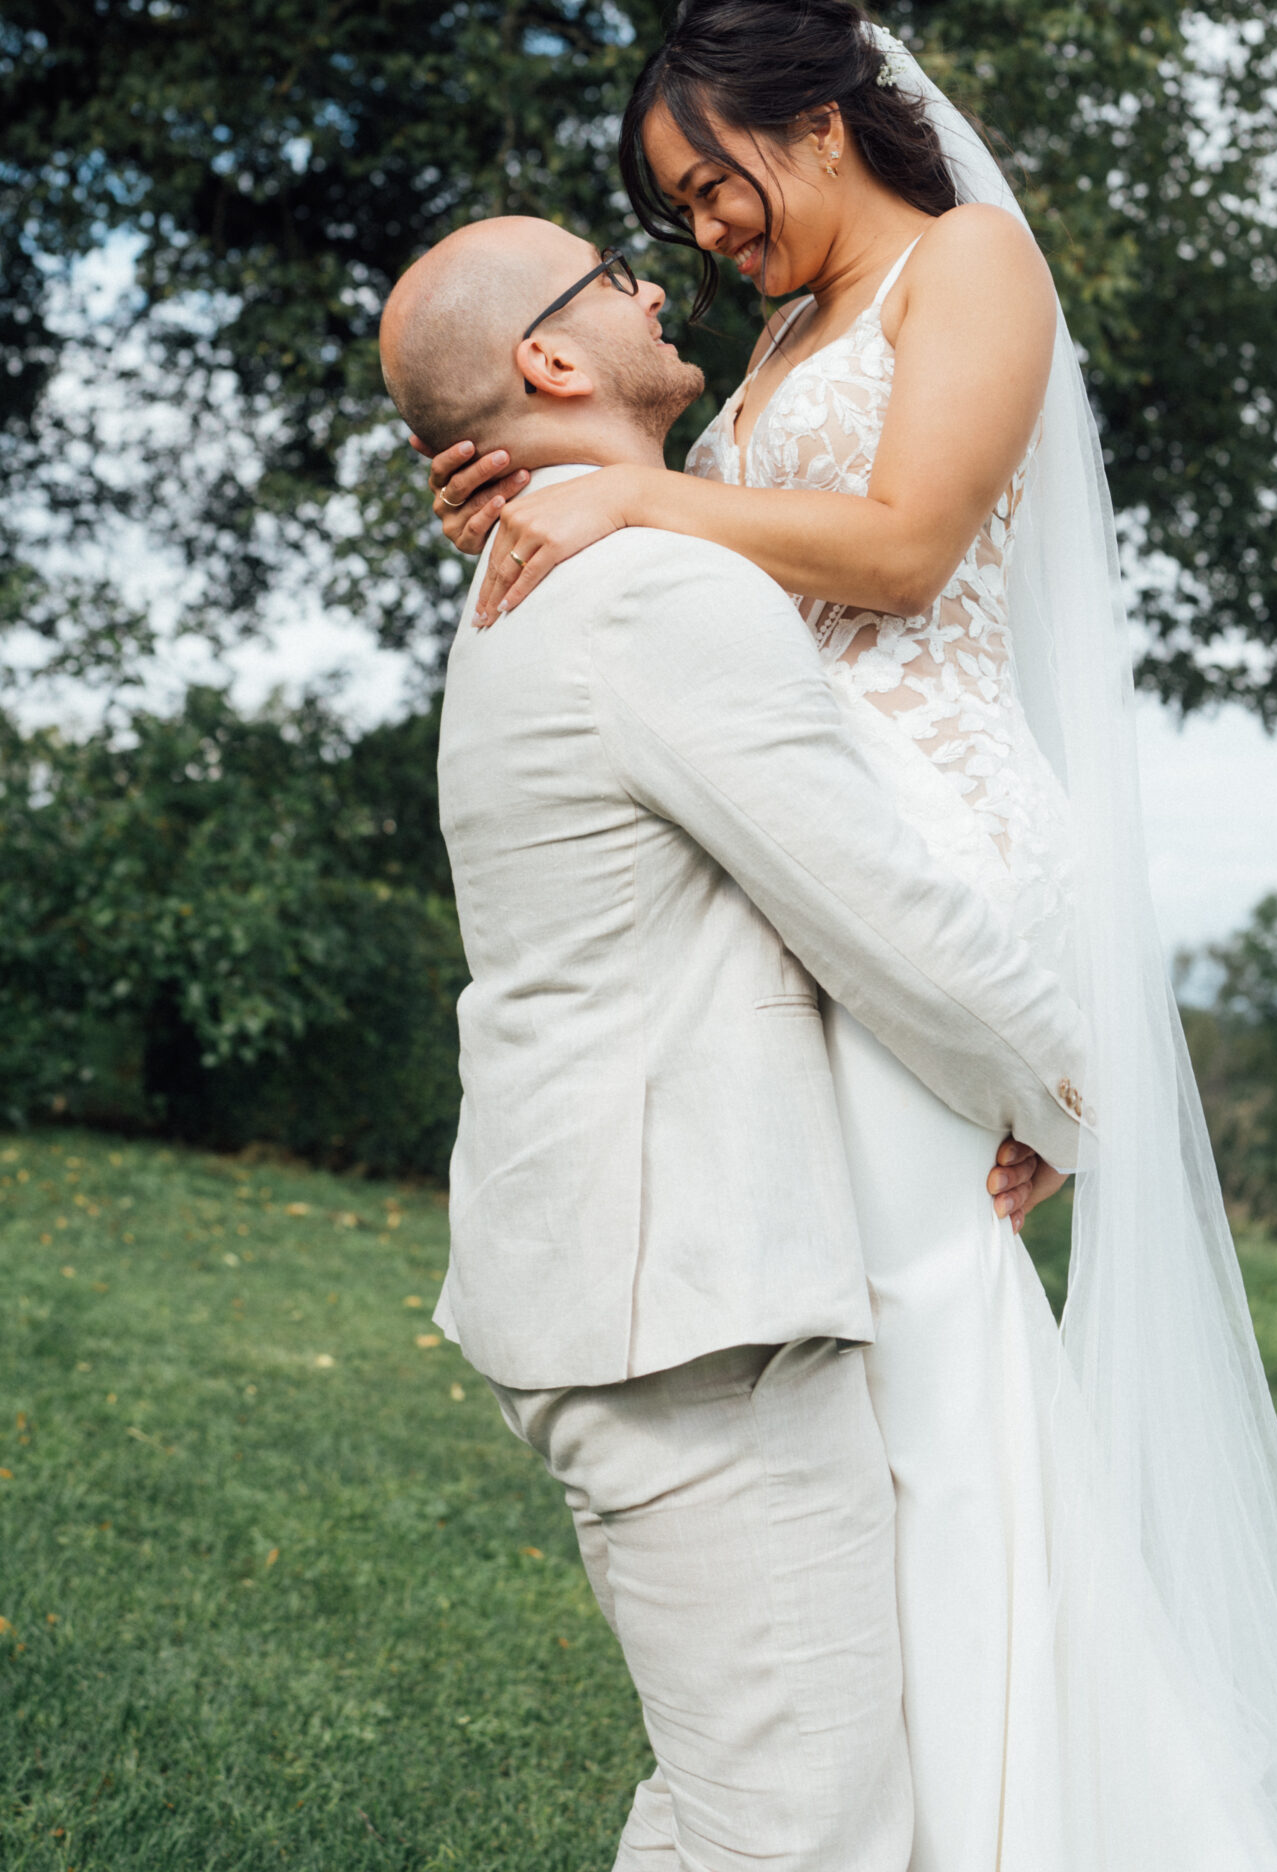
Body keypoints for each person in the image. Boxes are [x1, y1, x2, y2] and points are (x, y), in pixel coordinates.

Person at [425, 0, 1277, 1872]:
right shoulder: (778, 341)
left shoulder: (973, 268)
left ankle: (985, 1807)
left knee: (929, 1348)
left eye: (713, 185)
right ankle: (893, 1781)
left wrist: (630, 505)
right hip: (810, 838)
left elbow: (905, 545)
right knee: (873, 1350)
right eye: (674, 213)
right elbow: (698, 596)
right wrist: (573, 497)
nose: (707, 235)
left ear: (816, 121)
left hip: (927, 837)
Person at [378, 214, 1090, 1872]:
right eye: (611, 274)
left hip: (641, 1280)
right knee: (797, 1829)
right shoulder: (648, 590)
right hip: (676, 1299)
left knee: (743, 1800)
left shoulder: (552, 573)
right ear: (553, 358)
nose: (656, 282)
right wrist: (1065, 1088)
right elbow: (874, 901)